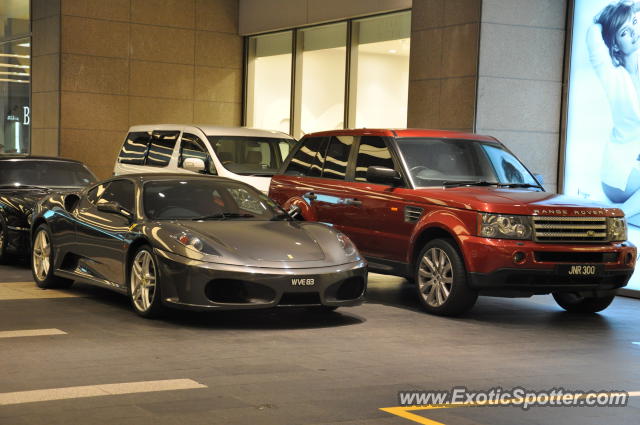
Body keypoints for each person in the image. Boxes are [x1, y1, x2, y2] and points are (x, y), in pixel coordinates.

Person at [588, 0, 640, 217]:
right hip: (620, 171)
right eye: (624, 32)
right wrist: (618, 9)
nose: (634, 32)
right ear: (615, 44)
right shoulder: (613, 75)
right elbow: (594, 32)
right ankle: (616, 218)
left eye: (635, 24)